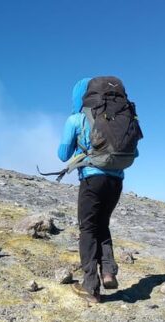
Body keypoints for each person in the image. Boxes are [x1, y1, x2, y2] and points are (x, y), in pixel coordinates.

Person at [58, 77, 141, 303]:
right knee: (102, 224)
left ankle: (90, 287)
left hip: (92, 180)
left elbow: (63, 155)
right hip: (116, 181)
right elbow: (135, 153)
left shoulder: (76, 118)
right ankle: (108, 272)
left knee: (88, 229)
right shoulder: (121, 114)